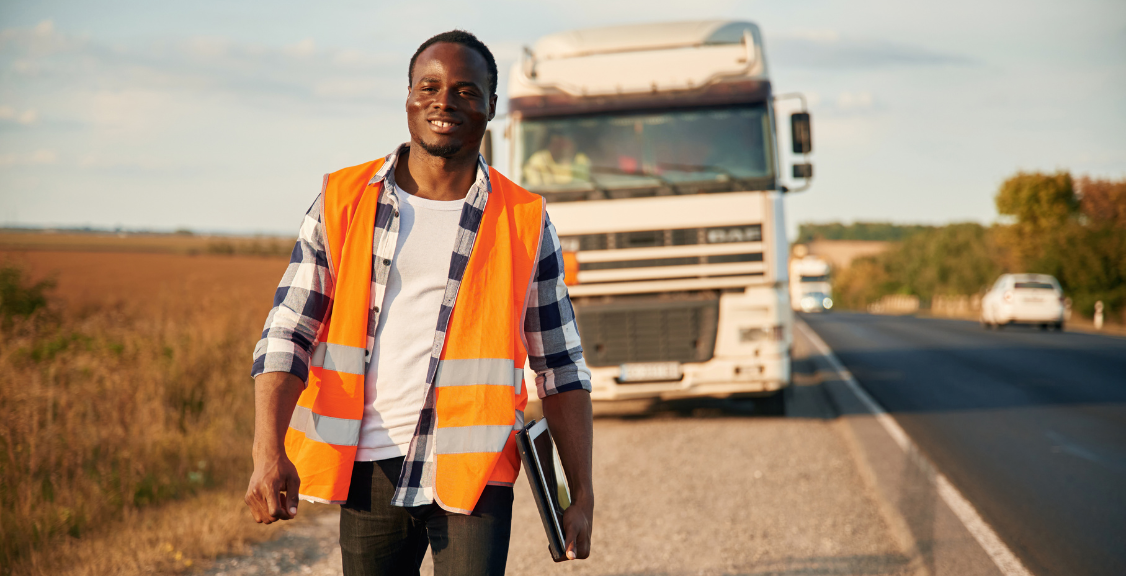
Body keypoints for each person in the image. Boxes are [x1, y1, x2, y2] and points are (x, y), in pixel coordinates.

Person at [244, 30, 595, 576]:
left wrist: (582, 496)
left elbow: (562, 368)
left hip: (474, 475)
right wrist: (268, 450)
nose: (445, 101)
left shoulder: (524, 219)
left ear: (491, 107)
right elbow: (287, 333)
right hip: (368, 470)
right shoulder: (343, 200)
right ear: (408, 97)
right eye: (429, 86)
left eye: (465, 90)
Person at [523, 133, 591, 186]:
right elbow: (535, 187)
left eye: (566, 143)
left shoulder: (580, 159)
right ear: (550, 145)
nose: (563, 148)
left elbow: (584, 184)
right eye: (558, 144)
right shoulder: (538, 160)